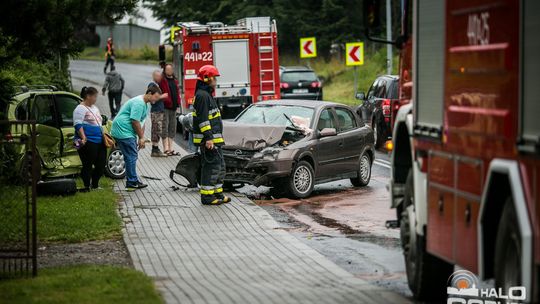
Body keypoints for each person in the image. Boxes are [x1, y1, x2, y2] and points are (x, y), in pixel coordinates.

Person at [111, 85, 163, 190]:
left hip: (127, 131)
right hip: (123, 130)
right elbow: (134, 121)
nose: (156, 100)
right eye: (155, 97)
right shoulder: (139, 103)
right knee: (131, 156)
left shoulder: (146, 104)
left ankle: (133, 180)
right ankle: (131, 182)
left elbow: (141, 122)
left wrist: (141, 138)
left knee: (131, 156)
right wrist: (141, 137)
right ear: (149, 94)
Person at [193, 65, 230, 205]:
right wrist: (208, 138)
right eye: (214, 77)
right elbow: (203, 120)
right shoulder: (202, 96)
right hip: (208, 140)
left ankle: (217, 194)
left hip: (215, 139)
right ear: (207, 78)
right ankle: (207, 197)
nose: (216, 80)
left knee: (220, 167)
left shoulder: (207, 94)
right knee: (211, 168)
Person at [73, 86, 106, 192]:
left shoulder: (95, 108)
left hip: (100, 140)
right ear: (88, 96)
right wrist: (83, 137)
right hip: (88, 141)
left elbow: (99, 122)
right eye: (95, 96)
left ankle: (95, 184)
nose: (96, 99)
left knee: (101, 164)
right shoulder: (80, 108)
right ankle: (87, 186)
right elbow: (77, 124)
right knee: (88, 164)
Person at [158, 64, 181, 156]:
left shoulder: (175, 81)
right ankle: (165, 148)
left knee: (172, 127)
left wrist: (178, 102)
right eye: (167, 69)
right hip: (165, 107)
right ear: (164, 71)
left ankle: (171, 148)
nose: (169, 71)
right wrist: (166, 100)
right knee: (165, 127)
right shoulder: (163, 81)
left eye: (171, 69)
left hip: (174, 107)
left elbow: (177, 92)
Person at [149, 70, 168, 157]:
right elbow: (152, 99)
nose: (160, 77)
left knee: (157, 130)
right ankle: (155, 150)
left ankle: (156, 149)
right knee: (156, 130)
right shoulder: (152, 85)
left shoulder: (157, 85)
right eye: (158, 76)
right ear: (154, 76)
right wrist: (162, 96)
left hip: (159, 111)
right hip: (156, 111)